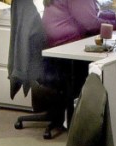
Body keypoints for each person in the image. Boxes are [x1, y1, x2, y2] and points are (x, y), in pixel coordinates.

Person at [39, 0, 102, 135]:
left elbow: (90, 18)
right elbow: (91, 24)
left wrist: (114, 17)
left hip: (55, 53)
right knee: (102, 67)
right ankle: (82, 123)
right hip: (65, 57)